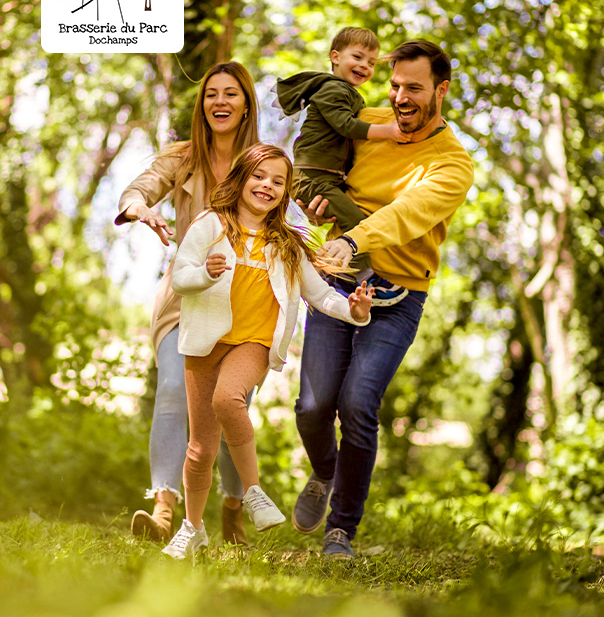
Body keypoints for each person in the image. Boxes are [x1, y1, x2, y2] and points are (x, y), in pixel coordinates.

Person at [292, 39, 474, 558]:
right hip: (337, 280)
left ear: (441, 90)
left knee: (357, 404)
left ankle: (340, 530)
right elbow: (314, 159)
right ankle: (326, 473)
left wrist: (353, 238)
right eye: (395, 86)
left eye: (414, 88)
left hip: (399, 294)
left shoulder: (452, 163)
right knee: (312, 406)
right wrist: (316, 198)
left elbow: (408, 213)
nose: (400, 98)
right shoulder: (367, 121)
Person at [161, 143, 374, 560]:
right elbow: (181, 277)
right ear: (242, 178)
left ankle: (254, 492)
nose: (267, 186)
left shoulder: (288, 244)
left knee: (228, 399)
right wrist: (205, 273)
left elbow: (320, 294)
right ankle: (192, 528)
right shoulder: (210, 225)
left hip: (253, 343)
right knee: (200, 448)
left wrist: (354, 311)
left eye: (278, 181)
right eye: (260, 176)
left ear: (285, 193)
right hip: (206, 341)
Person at [116, 62, 259, 545]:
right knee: (175, 390)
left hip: (245, 300)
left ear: (245, 105)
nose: (219, 102)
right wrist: (140, 206)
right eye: (211, 94)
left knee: (229, 404)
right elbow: (139, 187)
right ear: (203, 106)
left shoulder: (262, 163)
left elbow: (295, 212)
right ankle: (163, 512)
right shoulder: (181, 157)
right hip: (186, 294)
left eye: (230, 94)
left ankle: (233, 508)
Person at [277, 26, 409, 306]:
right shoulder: (333, 89)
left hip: (324, 178)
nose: (365, 66)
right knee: (356, 222)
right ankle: (365, 279)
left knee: (352, 217)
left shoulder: (345, 91)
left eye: (371, 63)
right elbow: (345, 125)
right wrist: (388, 131)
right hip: (312, 178)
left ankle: (336, 274)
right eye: (358, 57)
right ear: (335, 56)